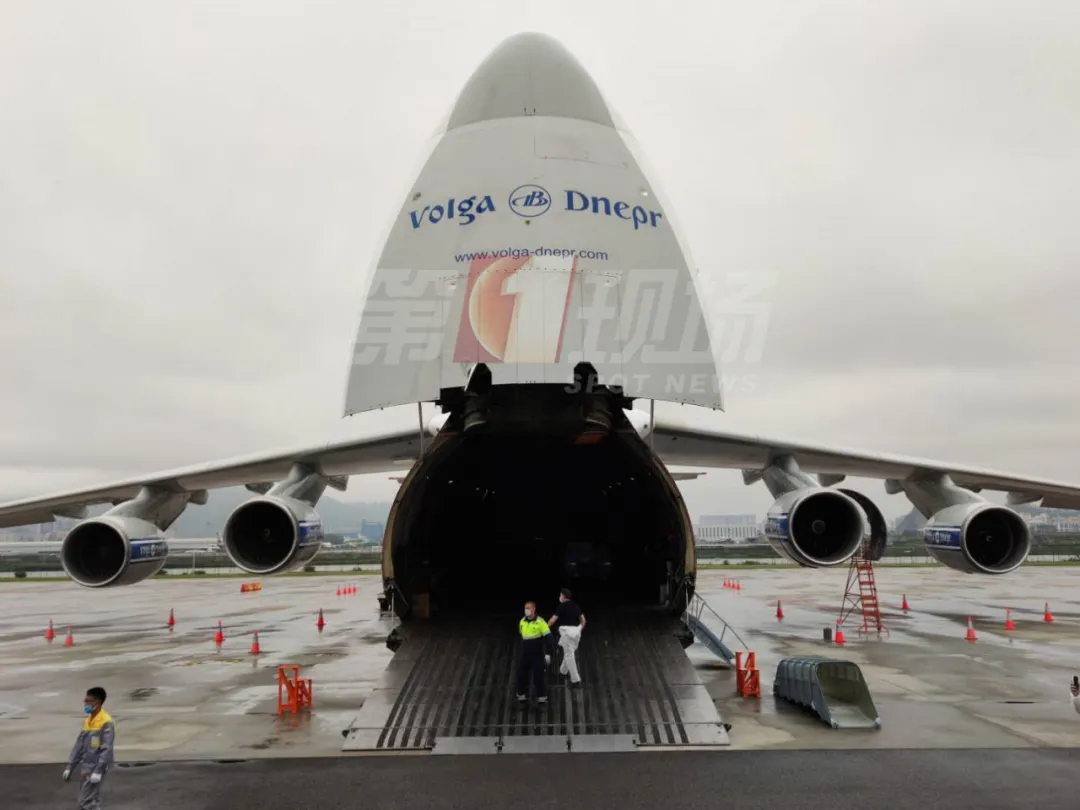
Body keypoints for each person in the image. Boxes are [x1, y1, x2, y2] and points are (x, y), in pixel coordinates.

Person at [64, 687, 115, 810]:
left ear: (97, 702)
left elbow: (107, 748)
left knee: (86, 801)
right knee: (90, 800)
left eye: (88, 701)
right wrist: (70, 767)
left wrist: (98, 770)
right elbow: (79, 745)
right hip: (86, 765)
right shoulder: (88, 720)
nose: (85, 703)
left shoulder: (105, 722)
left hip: (96, 765)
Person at [516, 601, 553, 704]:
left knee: (538, 677)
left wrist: (548, 653)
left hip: (537, 654)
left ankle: (542, 698)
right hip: (525, 654)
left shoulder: (540, 622)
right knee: (521, 675)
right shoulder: (522, 621)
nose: (526, 610)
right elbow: (522, 635)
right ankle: (522, 696)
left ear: (534, 609)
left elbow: (549, 638)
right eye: (525, 608)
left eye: (528, 608)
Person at [548, 587, 586, 686]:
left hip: (567, 633)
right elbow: (583, 620)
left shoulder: (561, 607)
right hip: (576, 633)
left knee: (569, 655)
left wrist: (545, 628)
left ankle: (576, 680)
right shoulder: (576, 605)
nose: (559, 597)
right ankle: (563, 672)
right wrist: (578, 630)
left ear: (564, 596)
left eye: (560, 595)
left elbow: (552, 620)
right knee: (569, 652)